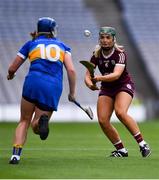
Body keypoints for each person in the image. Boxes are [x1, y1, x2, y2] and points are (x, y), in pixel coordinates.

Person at [7, 17, 76, 164]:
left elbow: (12, 67)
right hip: (52, 87)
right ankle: (40, 122)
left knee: (24, 120)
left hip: (33, 82)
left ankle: (15, 155)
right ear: (52, 30)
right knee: (36, 127)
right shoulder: (63, 46)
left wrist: (11, 75)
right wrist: (72, 92)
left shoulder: (31, 44)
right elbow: (71, 70)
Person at [84, 26, 151, 157]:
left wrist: (98, 78)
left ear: (114, 39)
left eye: (108, 37)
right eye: (102, 37)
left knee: (120, 112)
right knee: (103, 120)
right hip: (107, 88)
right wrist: (89, 84)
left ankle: (143, 144)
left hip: (123, 86)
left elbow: (116, 75)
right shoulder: (96, 54)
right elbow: (87, 74)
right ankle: (121, 150)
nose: (105, 40)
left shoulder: (120, 54)